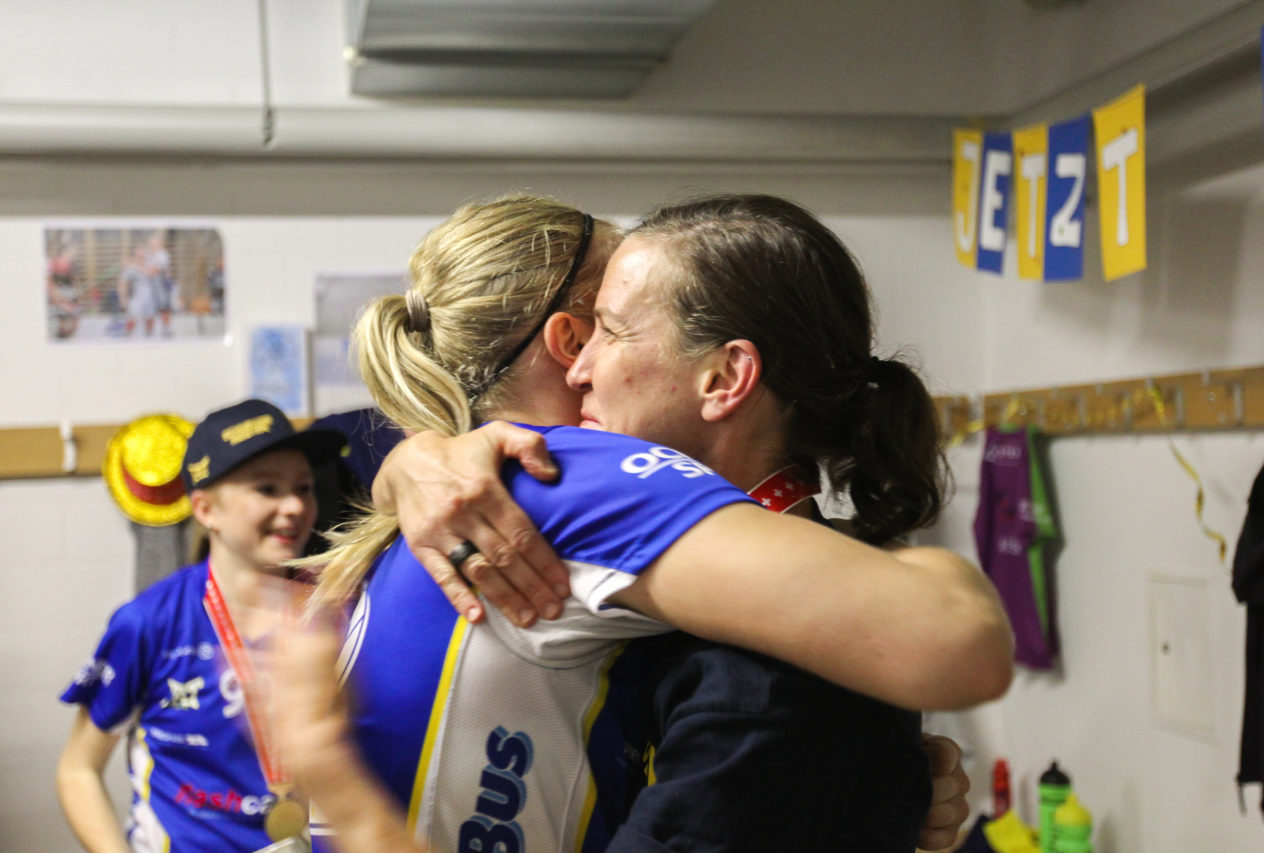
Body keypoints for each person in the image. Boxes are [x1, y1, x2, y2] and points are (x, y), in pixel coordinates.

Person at [282, 194, 1010, 852]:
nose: (584, 368)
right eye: (593, 326)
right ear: (563, 338)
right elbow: (953, 636)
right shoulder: (558, 478)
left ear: (725, 378)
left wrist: (873, 788)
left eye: (614, 329)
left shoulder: (478, 487)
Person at [56, 398, 346, 852]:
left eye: (303, 487)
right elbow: (78, 769)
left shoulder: (337, 607)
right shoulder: (150, 623)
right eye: (267, 489)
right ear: (206, 509)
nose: (293, 505)